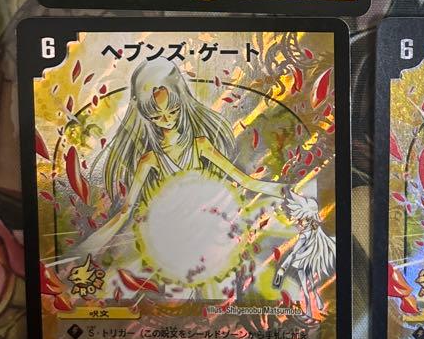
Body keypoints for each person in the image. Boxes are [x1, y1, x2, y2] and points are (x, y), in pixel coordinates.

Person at [78, 60, 304, 255]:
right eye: (157, 116)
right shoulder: (150, 159)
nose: (167, 119)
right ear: (147, 116)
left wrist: (292, 192)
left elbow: (246, 181)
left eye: (172, 111)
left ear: (181, 103)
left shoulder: (200, 145)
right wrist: (84, 249)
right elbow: (125, 212)